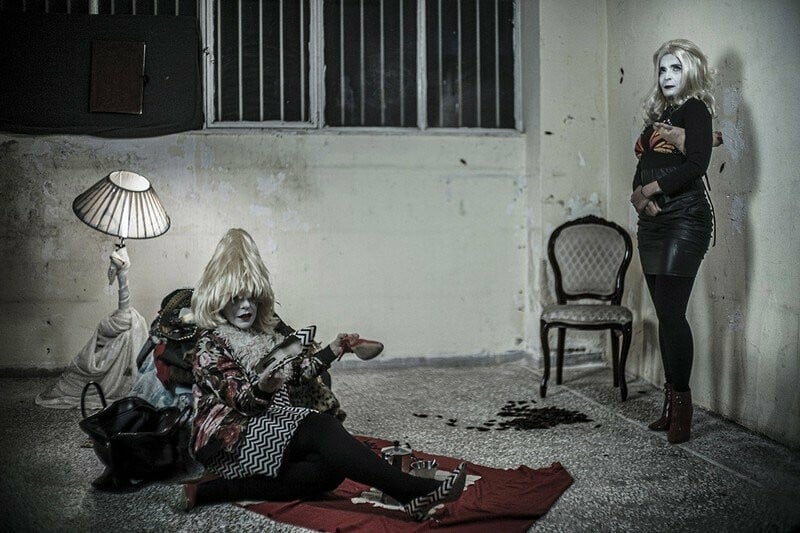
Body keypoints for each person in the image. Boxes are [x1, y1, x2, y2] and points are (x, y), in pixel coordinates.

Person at [184, 228, 467, 521]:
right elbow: (244, 403)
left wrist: (334, 349)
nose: (245, 306)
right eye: (235, 298)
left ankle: (208, 492)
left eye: (251, 298)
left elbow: (297, 372)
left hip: (267, 424)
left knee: (330, 470)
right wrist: (265, 388)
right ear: (219, 300)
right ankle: (413, 492)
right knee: (321, 427)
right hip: (230, 438)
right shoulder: (211, 345)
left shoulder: (264, 334)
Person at [629, 39, 716, 444]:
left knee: (673, 314)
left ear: (690, 71)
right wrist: (638, 196)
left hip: (685, 218)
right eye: (662, 69)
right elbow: (645, 163)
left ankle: (682, 407)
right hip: (654, 222)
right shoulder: (660, 115)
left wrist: (651, 190)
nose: (666, 76)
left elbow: (697, 163)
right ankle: (669, 404)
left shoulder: (695, 109)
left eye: (675, 68)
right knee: (665, 315)